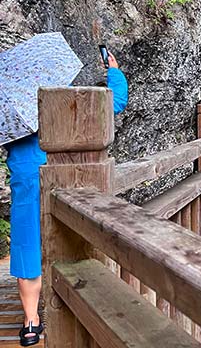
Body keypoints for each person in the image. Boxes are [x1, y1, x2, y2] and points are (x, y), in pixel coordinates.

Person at [4, 52, 128, 346]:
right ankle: (78, 303)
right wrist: (114, 71)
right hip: (65, 181)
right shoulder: (62, 102)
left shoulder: (11, 121)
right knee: (72, 237)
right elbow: (113, 104)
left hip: (26, 185)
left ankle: (31, 322)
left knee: (27, 247)